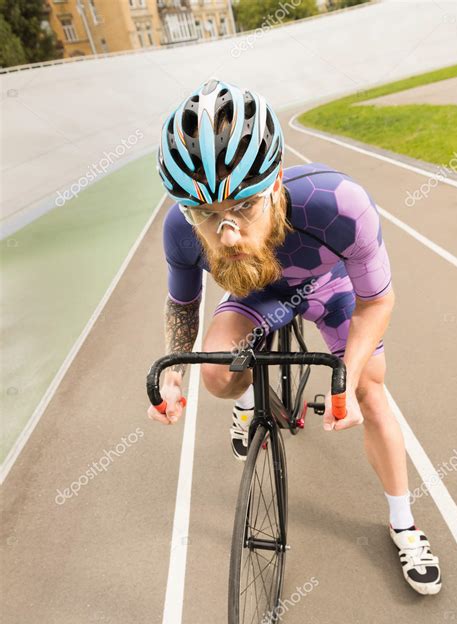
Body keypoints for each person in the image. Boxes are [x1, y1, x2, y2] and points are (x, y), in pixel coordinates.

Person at [148, 78, 441, 596]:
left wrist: (344, 383)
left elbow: (377, 301)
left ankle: (404, 525)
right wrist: (172, 377)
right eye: (206, 215)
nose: (228, 235)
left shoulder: (340, 204)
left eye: (243, 206)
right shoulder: (178, 228)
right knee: (217, 373)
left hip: (331, 288)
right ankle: (247, 403)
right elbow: (183, 306)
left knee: (371, 389)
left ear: (277, 184)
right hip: (254, 293)